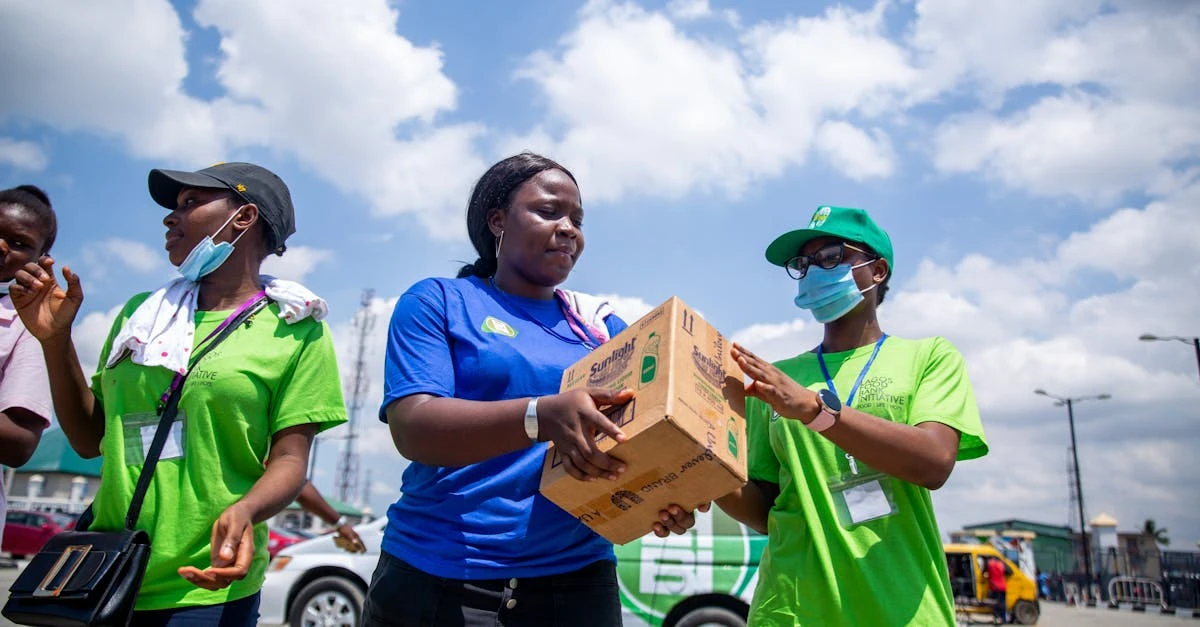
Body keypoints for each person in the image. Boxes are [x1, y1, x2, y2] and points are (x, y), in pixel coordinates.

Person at [362, 152, 702, 627]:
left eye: (577, 220)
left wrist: (666, 494)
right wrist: (540, 416)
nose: (568, 229)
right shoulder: (439, 301)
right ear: (497, 221)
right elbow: (414, 428)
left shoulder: (603, 330)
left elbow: (640, 439)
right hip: (439, 577)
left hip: (578, 583)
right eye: (548, 212)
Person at [9, 162, 347, 625]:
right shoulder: (141, 316)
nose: (171, 217)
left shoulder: (297, 330)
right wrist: (55, 340)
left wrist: (246, 510)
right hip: (103, 574)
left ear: (244, 217)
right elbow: (89, 440)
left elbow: (290, 461)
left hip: (205, 587)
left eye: (190, 203)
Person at [715, 205, 988, 625]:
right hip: (791, 610)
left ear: (877, 271)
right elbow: (767, 508)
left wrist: (816, 411)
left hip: (902, 608)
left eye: (830, 257)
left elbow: (934, 462)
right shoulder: (776, 380)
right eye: (803, 264)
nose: (813, 271)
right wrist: (704, 475)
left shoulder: (929, 357)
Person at [0, 185, 56, 540]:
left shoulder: (27, 325)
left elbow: (19, 445)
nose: (1, 246)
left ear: (40, 258)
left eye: (19, 242)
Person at [986, 556, 1009, 623]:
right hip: (1002, 587)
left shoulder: (990, 564)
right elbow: (1008, 572)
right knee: (1002, 603)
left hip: (994, 587)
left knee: (994, 603)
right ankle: (1003, 619)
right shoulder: (1001, 564)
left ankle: (997, 617)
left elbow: (984, 573)